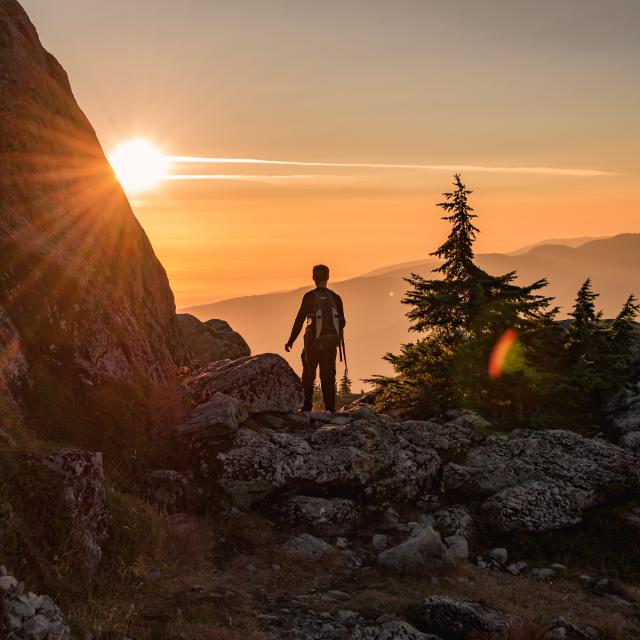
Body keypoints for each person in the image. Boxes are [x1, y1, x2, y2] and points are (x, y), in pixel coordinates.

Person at [285, 264, 346, 412]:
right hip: (331, 344)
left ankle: (307, 408)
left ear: (313, 278)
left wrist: (291, 340)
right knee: (328, 377)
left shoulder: (309, 297)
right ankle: (330, 410)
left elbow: (299, 320)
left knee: (308, 376)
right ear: (328, 277)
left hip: (312, 343)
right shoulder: (336, 298)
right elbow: (342, 322)